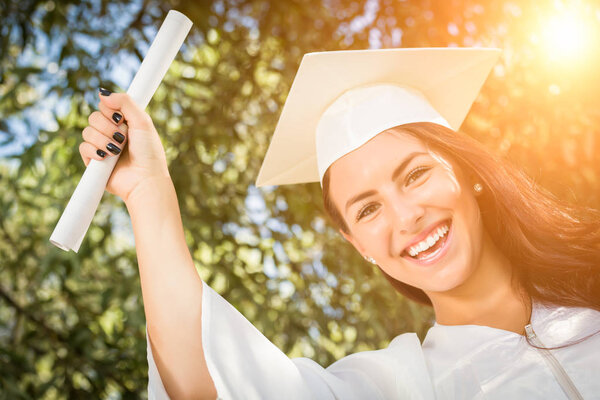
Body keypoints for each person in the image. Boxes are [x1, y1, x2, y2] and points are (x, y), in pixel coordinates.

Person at [79, 48, 600, 399]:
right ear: (359, 245)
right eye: (368, 208)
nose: (406, 216)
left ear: (471, 175)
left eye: (415, 175)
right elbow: (211, 380)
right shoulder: (394, 387)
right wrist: (147, 191)